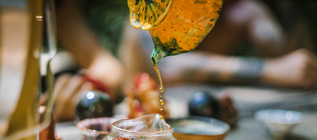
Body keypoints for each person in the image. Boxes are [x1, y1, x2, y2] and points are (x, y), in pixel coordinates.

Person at [119, 0, 317, 90]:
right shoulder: (154, 10)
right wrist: (270, 69)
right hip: (140, 127)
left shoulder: (238, 10)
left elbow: (294, 64)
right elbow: (168, 66)